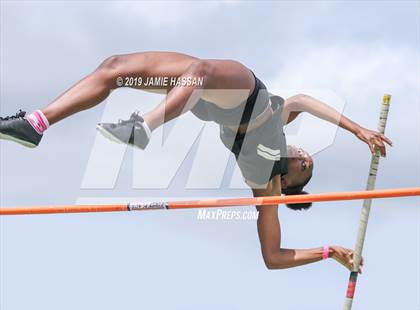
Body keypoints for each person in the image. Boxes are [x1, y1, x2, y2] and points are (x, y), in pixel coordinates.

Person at [0, 51, 392, 271]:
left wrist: (328, 252)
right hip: (202, 94)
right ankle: (37, 122)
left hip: (233, 97)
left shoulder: (267, 190)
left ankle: (145, 126)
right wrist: (358, 130)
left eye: (305, 167)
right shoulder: (282, 127)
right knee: (114, 68)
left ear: (289, 185)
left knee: (200, 71)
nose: (305, 156)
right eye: (308, 157)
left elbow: (273, 258)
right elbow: (302, 101)